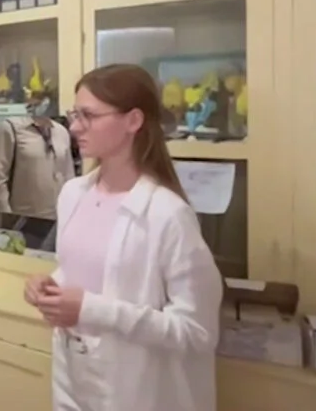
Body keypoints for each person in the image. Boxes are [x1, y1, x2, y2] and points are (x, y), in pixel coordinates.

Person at [24, 64, 223, 411]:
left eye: (88, 116)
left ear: (133, 121)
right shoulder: (73, 194)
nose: (74, 127)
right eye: (74, 115)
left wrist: (90, 309)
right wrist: (50, 287)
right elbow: (81, 273)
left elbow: (196, 332)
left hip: (138, 393)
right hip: (72, 379)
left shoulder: (168, 214)